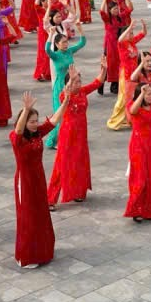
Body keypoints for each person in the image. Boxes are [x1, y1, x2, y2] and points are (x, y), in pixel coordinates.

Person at [11, 91, 69, 267]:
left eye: (36, 121)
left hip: (38, 179)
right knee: (28, 216)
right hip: (25, 181)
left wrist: (65, 101)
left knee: (40, 215)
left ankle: (42, 251)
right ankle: (27, 256)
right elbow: (18, 130)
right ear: (24, 122)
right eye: (32, 122)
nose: (35, 124)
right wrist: (26, 109)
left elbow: (54, 121)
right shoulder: (17, 139)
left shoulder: (37, 133)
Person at [48, 61, 105, 207]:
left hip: (81, 134)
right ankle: (51, 198)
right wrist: (70, 81)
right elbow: (64, 95)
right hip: (68, 134)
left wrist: (104, 69)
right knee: (61, 164)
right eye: (75, 82)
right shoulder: (64, 96)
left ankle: (79, 192)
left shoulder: (82, 91)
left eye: (79, 81)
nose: (78, 84)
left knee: (80, 162)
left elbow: (98, 82)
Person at [125, 83, 151, 219]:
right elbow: (132, 111)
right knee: (140, 178)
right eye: (148, 94)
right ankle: (136, 209)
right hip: (138, 146)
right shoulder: (132, 104)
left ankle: (150, 210)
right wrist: (142, 94)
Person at [44, 29, 87, 148]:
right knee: (60, 114)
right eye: (63, 42)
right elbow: (47, 49)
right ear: (57, 44)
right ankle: (53, 141)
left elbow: (82, 43)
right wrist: (50, 34)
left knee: (70, 114)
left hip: (71, 84)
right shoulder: (55, 55)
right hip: (60, 87)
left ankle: (66, 137)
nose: (66, 44)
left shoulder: (69, 51)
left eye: (66, 41)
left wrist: (80, 29)